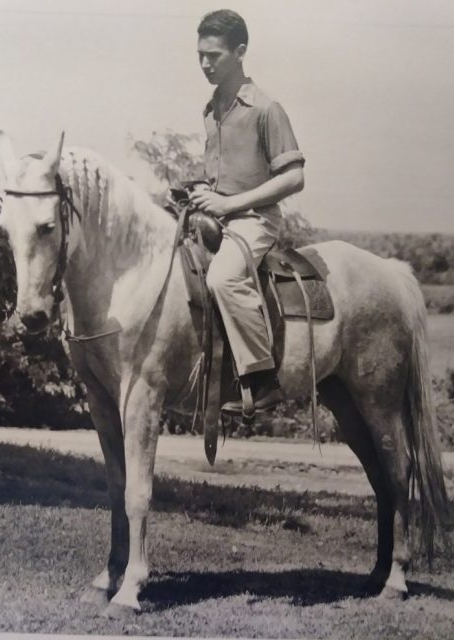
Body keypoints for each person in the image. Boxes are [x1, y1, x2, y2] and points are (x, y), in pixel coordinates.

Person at [191, 9, 305, 415]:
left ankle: (262, 378)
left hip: (255, 219)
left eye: (214, 55)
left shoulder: (266, 109)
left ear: (240, 52)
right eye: (200, 54)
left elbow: (294, 178)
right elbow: (222, 173)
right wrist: (204, 190)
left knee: (222, 279)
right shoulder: (211, 108)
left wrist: (230, 203)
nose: (205, 63)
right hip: (216, 216)